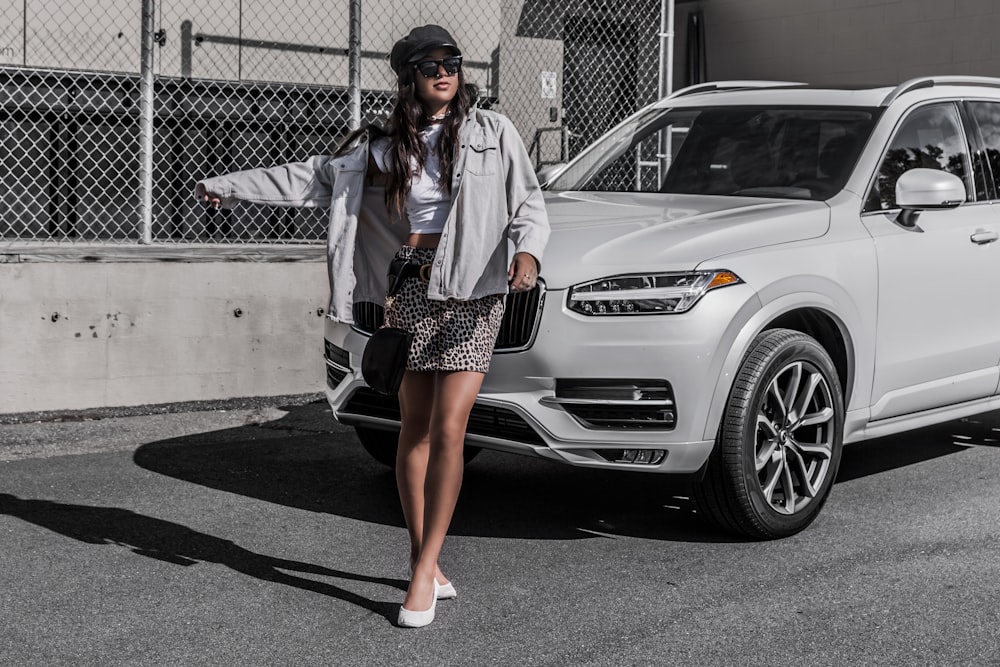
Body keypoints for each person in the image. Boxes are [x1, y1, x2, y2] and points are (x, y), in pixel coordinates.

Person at [194, 24, 550, 628]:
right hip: (409, 286)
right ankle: (424, 557)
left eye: (452, 61)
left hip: (473, 291)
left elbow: (528, 204)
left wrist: (529, 253)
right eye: (429, 63)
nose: (444, 71)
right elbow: (307, 178)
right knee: (412, 428)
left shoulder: (495, 132)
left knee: (451, 426)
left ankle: (422, 571)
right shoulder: (382, 145)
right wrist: (226, 187)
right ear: (408, 74)